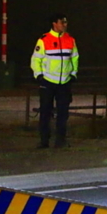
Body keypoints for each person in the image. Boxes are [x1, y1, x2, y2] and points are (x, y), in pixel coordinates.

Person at [30, 13, 79, 148]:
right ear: (54, 23)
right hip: (48, 81)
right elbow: (36, 59)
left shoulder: (70, 39)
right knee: (45, 112)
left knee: (63, 113)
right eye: (62, 22)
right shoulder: (44, 39)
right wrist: (39, 75)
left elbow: (75, 58)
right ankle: (44, 141)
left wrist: (73, 74)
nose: (65, 24)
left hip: (64, 82)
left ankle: (60, 141)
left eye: (65, 22)